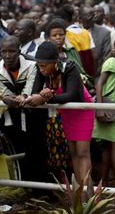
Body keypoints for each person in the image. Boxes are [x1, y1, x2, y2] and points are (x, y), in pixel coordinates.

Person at [27, 41, 95, 184]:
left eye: (44, 66)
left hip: (81, 110)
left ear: (55, 62)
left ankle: (87, 195)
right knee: (74, 153)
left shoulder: (70, 67)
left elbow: (72, 96)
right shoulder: (41, 68)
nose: (41, 69)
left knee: (83, 153)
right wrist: (40, 96)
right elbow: (35, 93)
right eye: (39, 66)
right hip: (66, 113)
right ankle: (79, 192)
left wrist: (47, 96)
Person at [0, 36, 46, 181]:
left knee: (38, 147)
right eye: (4, 51)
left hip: (35, 111)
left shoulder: (32, 63)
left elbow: (31, 87)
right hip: (14, 112)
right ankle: (26, 185)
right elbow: (3, 89)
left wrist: (23, 96)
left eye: (12, 51)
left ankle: (43, 186)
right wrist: (6, 98)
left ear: (19, 50)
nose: (8, 55)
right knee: (21, 147)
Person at [93, 36, 115, 188]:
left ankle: (105, 181)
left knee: (108, 147)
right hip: (111, 110)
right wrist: (100, 108)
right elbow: (99, 84)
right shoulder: (112, 62)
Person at [79, 6, 112, 75]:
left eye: (93, 15)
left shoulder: (104, 33)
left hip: (98, 75)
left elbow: (106, 57)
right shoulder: (73, 32)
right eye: (88, 15)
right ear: (80, 18)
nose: (93, 17)